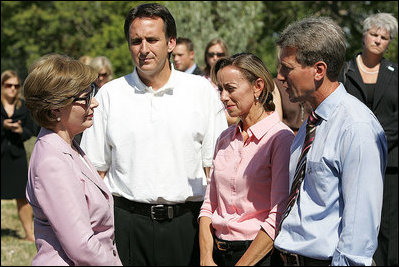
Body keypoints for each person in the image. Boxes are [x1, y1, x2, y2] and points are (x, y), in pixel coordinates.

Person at [80, 3, 228, 266]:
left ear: (171, 42)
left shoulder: (201, 92)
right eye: (136, 41)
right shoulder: (109, 96)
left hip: (188, 226)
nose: (144, 49)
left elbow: (215, 171)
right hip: (126, 225)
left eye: (152, 39)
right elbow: (94, 173)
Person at [273, 16, 388, 266]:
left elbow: (360, 229)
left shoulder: (356, 127)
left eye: (287, 68)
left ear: (319, 70)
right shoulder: (312, 122)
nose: (280, 77)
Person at [23, 54, 122, 266]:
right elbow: (82, 247)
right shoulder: (52, 162)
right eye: (85, 98)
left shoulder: (68, 147)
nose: (94, 103)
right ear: (56, 108)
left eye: (92, 93)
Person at [198, 53, 294, 266]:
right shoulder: (224, 138)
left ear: (257, 86)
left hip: (259, 256)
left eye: (230, 88)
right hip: (218, 254)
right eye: (220, 89)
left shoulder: (280, 138)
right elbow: (208, 205)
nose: (223, 96)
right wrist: (205, 257)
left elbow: (278, 215)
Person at [338, 13, 398, 266]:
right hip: (351, 158)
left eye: (384, 37)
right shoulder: (345, 70)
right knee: (353, 217)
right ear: (364, 36)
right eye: (374, 34)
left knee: (388, 224)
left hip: (390, 162)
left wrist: (376, 138)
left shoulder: (395, 73)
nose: (378, 40)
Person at [1, 70, 36, 242]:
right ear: (2, 86)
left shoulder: (23, 106)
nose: (12, 89)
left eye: (16, 86)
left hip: (17, 156)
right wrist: (3, 126)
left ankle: (29, 233)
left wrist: (21, 131)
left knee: (22, 196)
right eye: (9, 85)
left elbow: (32, 130)